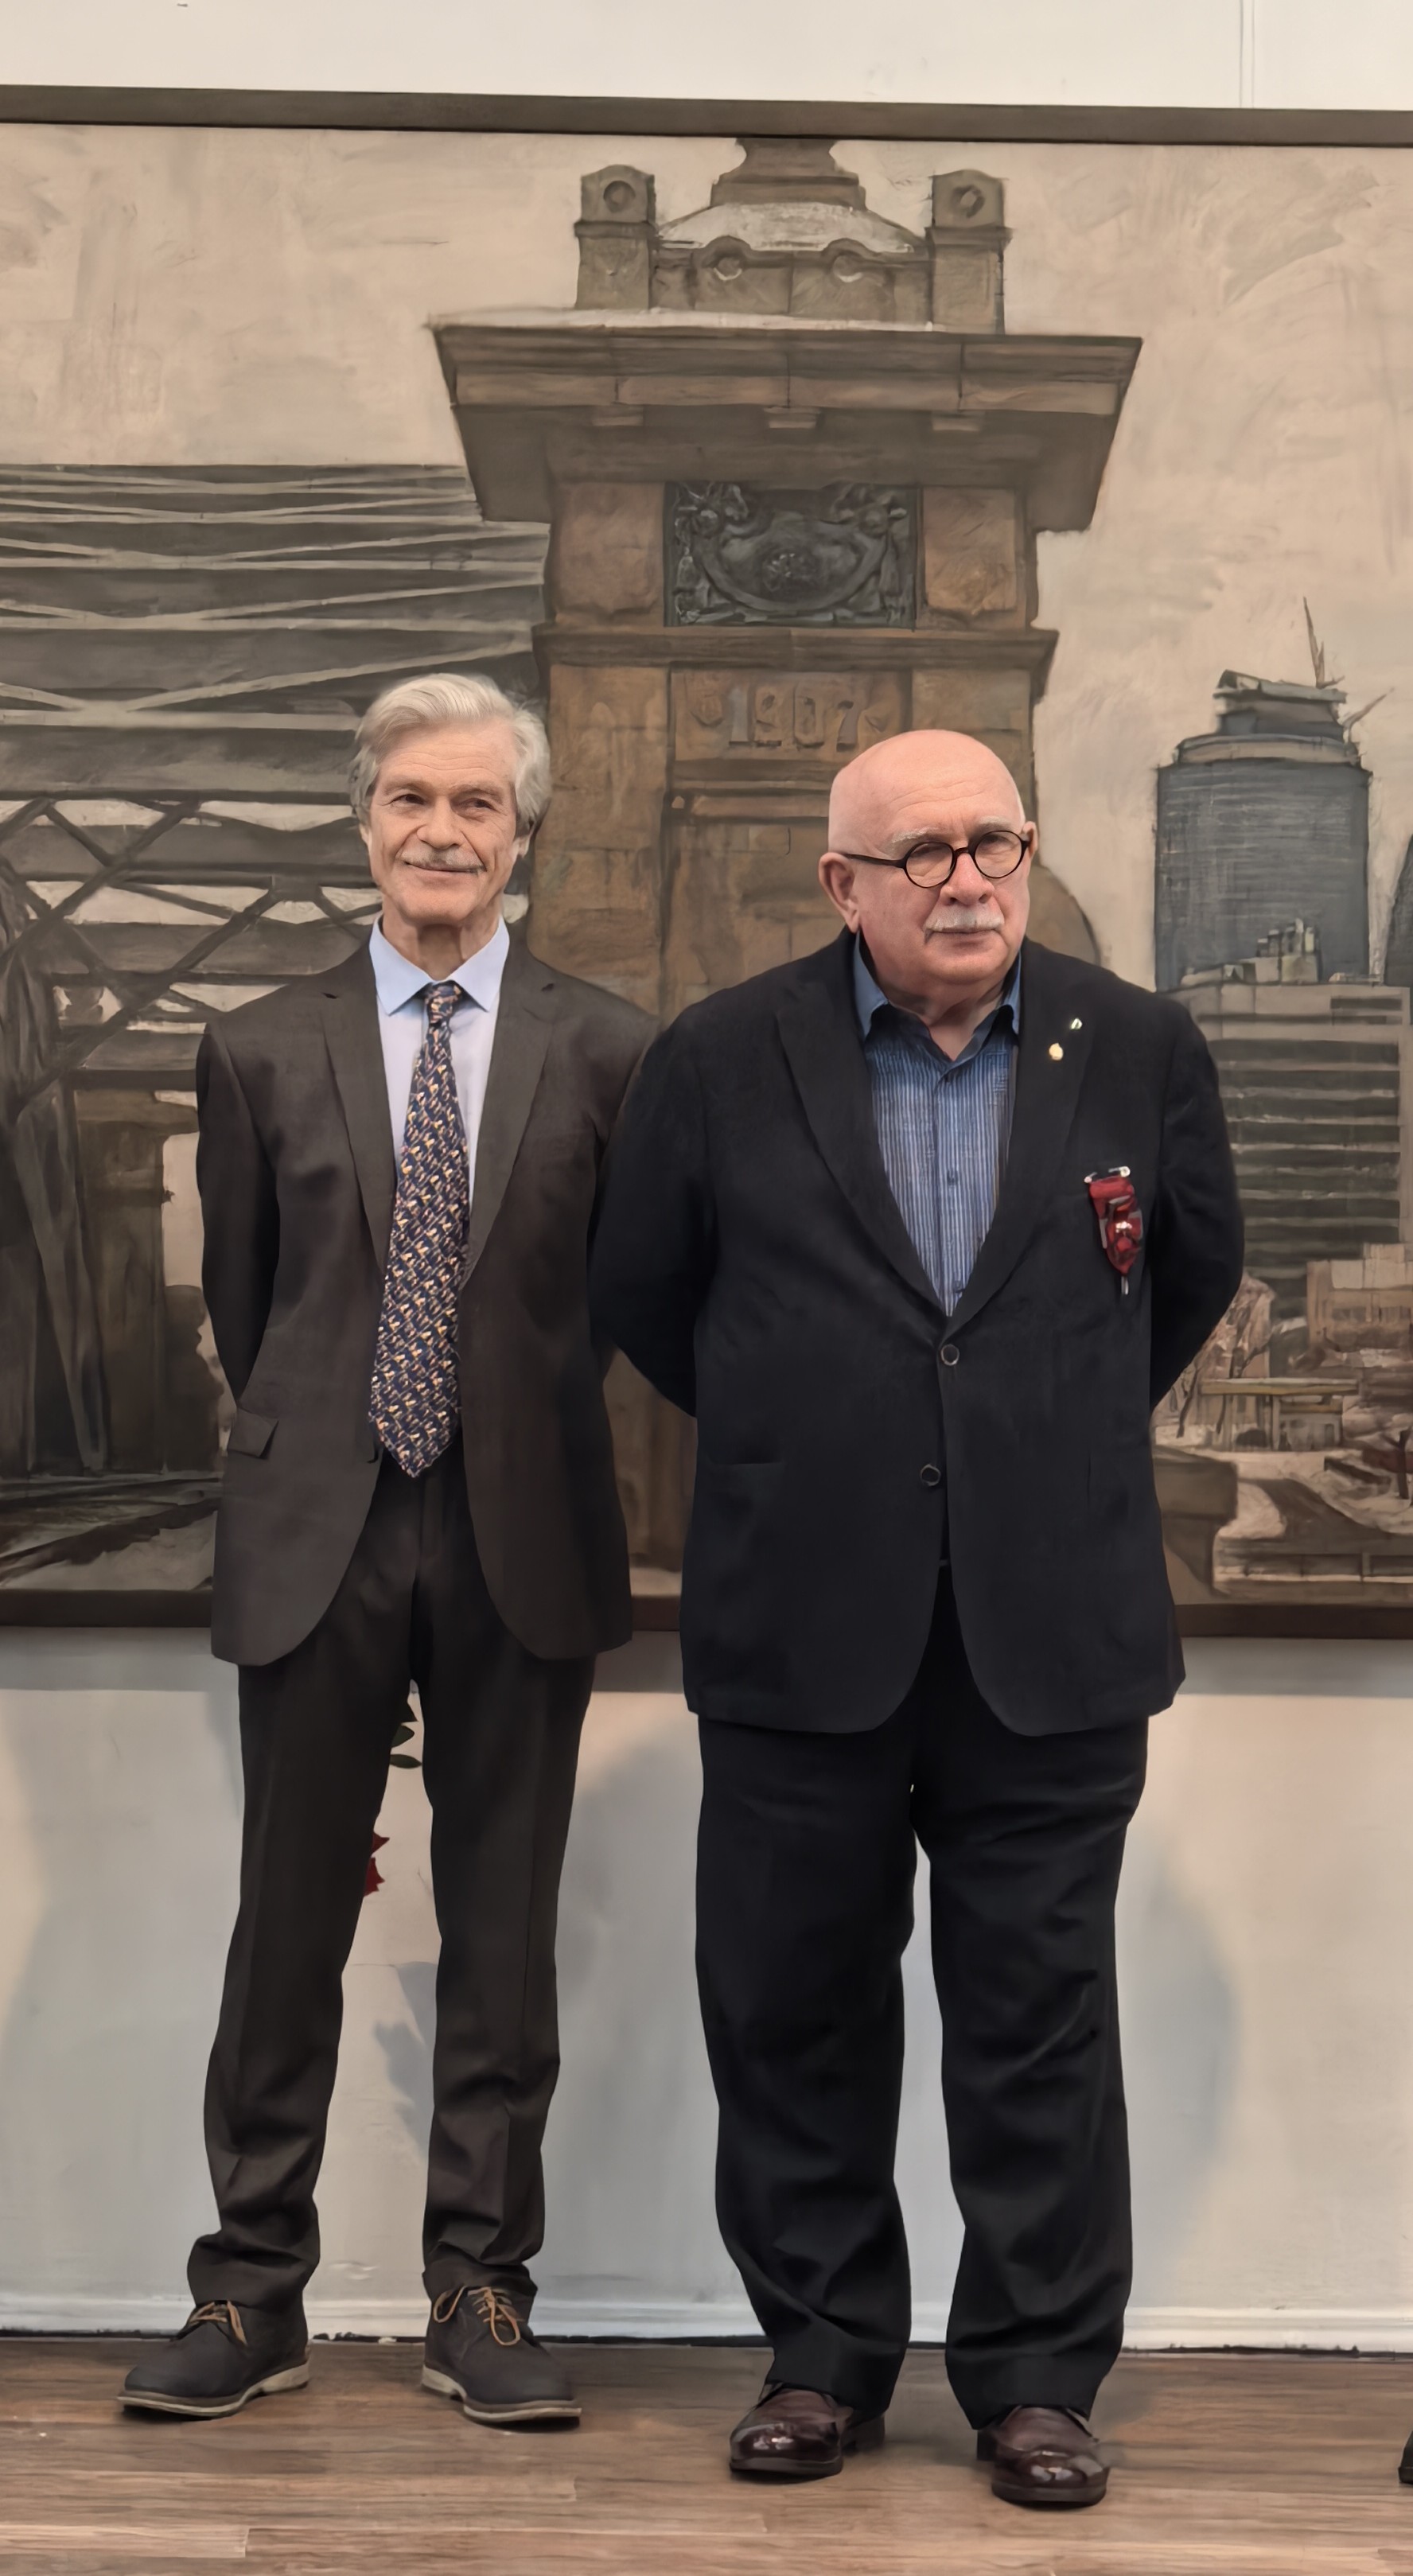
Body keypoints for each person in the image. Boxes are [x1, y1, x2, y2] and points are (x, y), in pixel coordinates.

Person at [590, 727, 1242, 2508]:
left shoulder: (1140, 1046)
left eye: (994, 841)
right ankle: (820, 2359)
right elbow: (647, 1292)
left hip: (1054, 1626)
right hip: (800, 1618)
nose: (968, 879)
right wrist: (823, 1433)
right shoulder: (721, 1057)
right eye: (924, 852)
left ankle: (1036, 2381)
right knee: (792, 2006)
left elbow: (1186, 1275)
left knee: (1040, 2020)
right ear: (844, 884)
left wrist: (1027, 1434)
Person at [123, 673, 650, 2426]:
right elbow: (257, 1303)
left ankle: (480, 2289)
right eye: (411, 797)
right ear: (364, 821)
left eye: (476, 802)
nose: (441, 830)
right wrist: (350, 1427)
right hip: (319, 1523)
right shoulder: (259, 1046)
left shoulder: (610, 1048)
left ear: (524, 833)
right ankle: (248, 2287)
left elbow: (614, 1301)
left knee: (503, 1927)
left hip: (525, 1526)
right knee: (287, 1921)